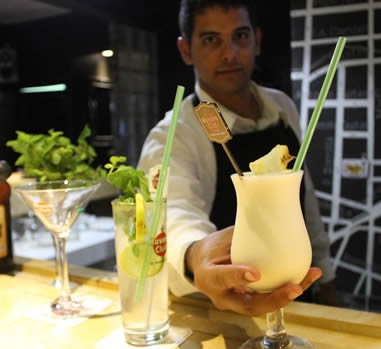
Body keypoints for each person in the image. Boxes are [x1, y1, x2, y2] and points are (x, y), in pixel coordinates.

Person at [137, 0, 337, 317]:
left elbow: (304, 197)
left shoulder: (282, 106)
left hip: (299, 290)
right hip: (227, 309)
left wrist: (326, 272)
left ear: (256, 40)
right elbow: (172, 214)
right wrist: (195, 254)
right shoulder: (174, 135)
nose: (230, 54)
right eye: (211, 40)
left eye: (240, 36)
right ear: (186, 50)